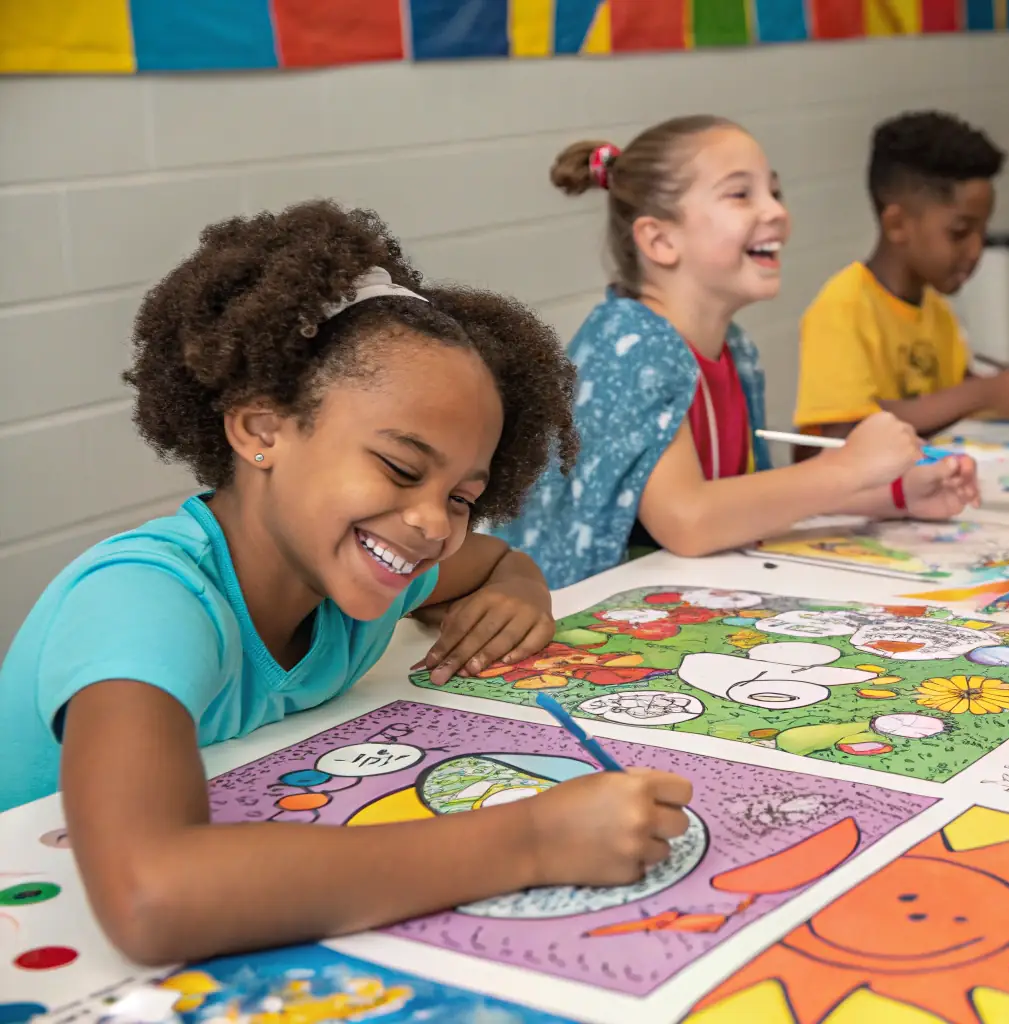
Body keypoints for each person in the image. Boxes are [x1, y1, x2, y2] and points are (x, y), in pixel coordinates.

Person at [0, 201, 694, 964]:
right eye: (401, 468)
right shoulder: (144, 602)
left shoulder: (366, 574)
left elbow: (497, 560)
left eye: (463, 497)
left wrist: (521, 587)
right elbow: (151, 898)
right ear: (261, 430)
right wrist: (533, 841)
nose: (433, 524)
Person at [495, 114, 981, 589]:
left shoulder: (735, 349)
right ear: (660, 239)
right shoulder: (631, 347)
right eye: (741, 194)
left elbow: (745, 504)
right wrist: (849, 467)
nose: (776, 211)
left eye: (774, 191)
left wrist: (894, 495)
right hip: (575, 622)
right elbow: (689, 519)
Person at [793, 111, 1009, 442]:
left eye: (982, 231)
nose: (977, 250)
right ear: (897, 225)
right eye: (960, 232)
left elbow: (950, 395)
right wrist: (981, 394)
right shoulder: (843, 309)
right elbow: (844, 431)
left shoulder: (936, 311)